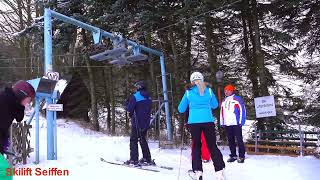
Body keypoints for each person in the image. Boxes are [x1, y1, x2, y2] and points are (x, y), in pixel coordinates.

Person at [178, 72, 225, 180]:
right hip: (208, 121)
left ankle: (198, 171)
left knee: (196, 146)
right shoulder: (208, 90)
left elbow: (181, 108)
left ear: (191, 81)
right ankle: (219, 171)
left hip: (194, 123)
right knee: (212, 146)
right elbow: (215, 105)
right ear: (202, 79)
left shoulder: (188, 92)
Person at [0, 80, 36, 180]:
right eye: (28, 99)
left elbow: (18, 117)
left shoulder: (11, 102)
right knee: (5, 173)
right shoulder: (4, 99)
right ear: (21, 94)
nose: (29, 103)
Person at [124, 80, 154, 166]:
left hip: (137, 122)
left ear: (138, 87)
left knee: (133, 140)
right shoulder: (149, 97)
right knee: (142, 139)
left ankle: (134, 159)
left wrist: (126, 103)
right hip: (146, 122)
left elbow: (129, 109)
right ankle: (147, 158)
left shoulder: (135, 96)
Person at [183, 85, 210, 163]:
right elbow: (186, 110)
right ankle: (195, 156)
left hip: (204, 121)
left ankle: (205, 156)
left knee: (204, 139)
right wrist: (186, 122)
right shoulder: (189, 96)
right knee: (196, 140)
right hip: (194, 122)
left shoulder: (204, 95)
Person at [220, 84, 246, 163]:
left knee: (239, 140)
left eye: (228, 90)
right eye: (225, 91)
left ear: (232, 91)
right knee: (230, 140)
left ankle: (241, 156)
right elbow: (222, 113)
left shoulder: (237, 99)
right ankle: (233, 155)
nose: (226, 92)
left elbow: (242, 110)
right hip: (228, 124)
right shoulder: (224, 101)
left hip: (236, 123)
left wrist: (241, 121)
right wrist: (222, 122)